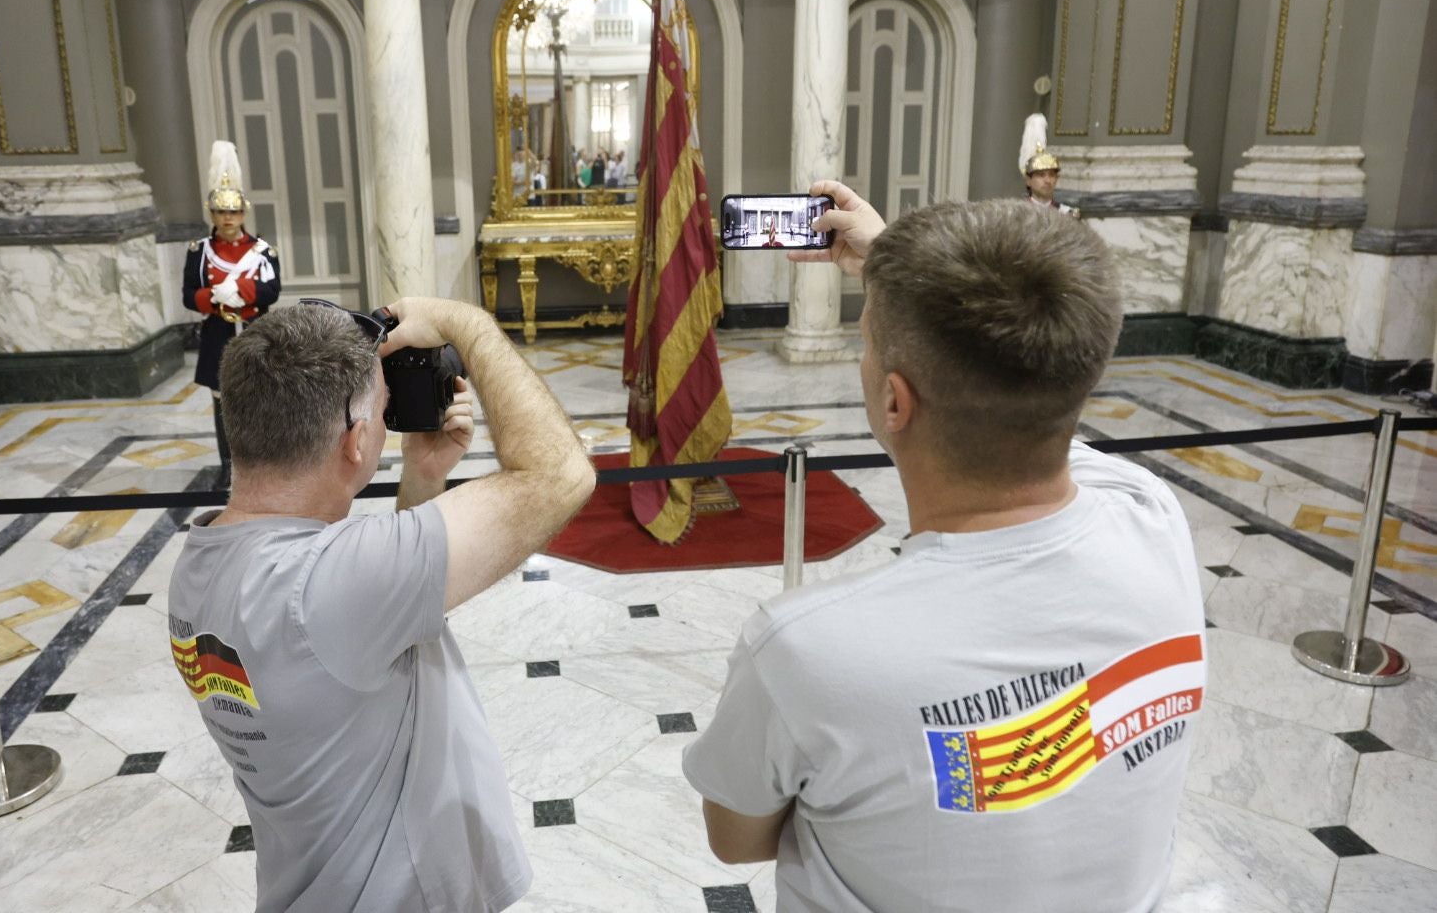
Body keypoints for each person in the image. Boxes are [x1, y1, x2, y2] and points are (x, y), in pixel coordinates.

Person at [683, 181, 1203, 912]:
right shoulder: (1153, 516)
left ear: (895, 401)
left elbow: (735, 841)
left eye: (866, 344)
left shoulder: (810, 650)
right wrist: (898, 272)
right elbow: (1025, 376)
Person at [166, 298, 595, 912]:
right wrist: (466, 323)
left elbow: (371, 629)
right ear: (357, 436)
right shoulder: (327, 583)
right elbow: (560, 476)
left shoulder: (202, 562)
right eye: (382, 407)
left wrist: (423, 476)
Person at [183, 140, 281, 488]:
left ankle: (262, 463)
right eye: (221, 212)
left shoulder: (262, 251)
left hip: (253, 331)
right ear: (213, 214)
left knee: (258, 399)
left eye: (234, 212)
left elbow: (273, 290)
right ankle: (228, 464)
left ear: (244, 213)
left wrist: (242, 292)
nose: (228, 219)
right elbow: (188, 297)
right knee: (222, 403)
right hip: (218, 335)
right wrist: (214, 296)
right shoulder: (200, 251)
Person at [1019, 112, 1077, 216]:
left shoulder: (1067, 214)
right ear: (1028, 180)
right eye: (1041, 175)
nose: (1047, 180)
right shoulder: (1016, 214)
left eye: (1051, 175)